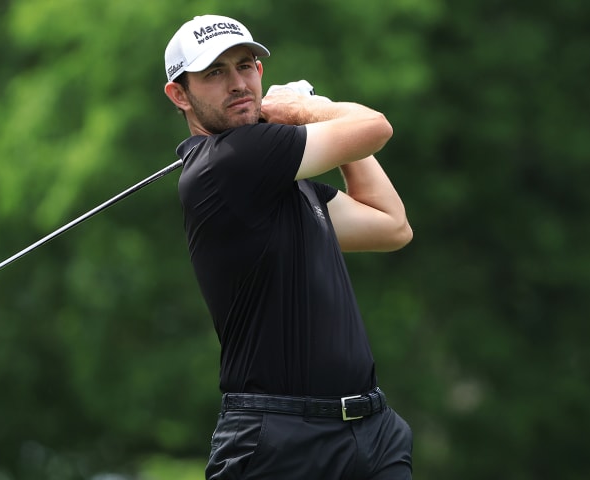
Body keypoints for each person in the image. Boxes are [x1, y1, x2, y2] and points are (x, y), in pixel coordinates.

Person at [162, 14, 414, 480]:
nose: (238, 83)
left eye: (246, 66)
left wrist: (312, 111)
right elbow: (375, 126)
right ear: (180, 95)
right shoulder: (227, 163)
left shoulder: (283, 183)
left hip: (372, 432)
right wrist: (305, 108)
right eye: (215, 73)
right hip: (278, 440)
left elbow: (391, 225)